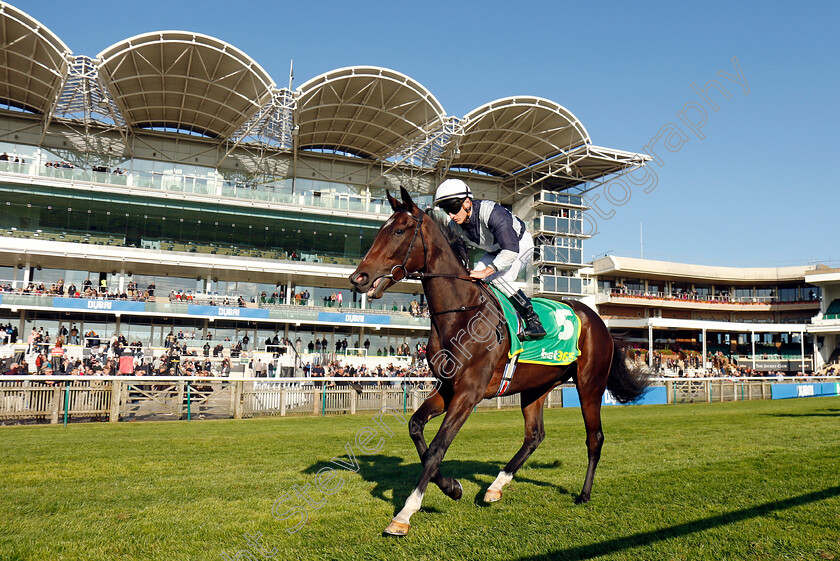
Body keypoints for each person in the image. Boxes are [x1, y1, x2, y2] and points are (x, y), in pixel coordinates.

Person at [434, 178, 546, 340]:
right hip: (496, 250)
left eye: (453, 208)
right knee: (472, 281)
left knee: (500, 280)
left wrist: (486, 271)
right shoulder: (455, 226)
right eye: (446, 210)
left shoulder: (493, 213)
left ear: (467, 202)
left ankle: (533, 320)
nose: (451, 215)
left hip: (520, 245)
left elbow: (510, 250)